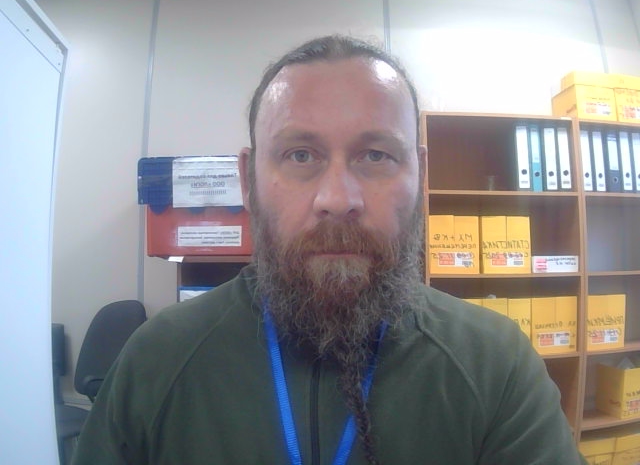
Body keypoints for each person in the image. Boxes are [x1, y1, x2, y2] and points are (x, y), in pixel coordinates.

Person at [71, 35, 586, 465]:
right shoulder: (155, 360)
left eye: (376, 155)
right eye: (300, 155)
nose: (338, 200)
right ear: (248, 182)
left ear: (421, 175)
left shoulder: (495, 364)